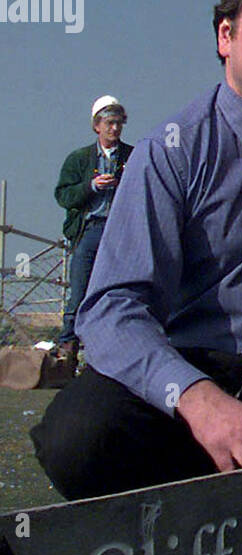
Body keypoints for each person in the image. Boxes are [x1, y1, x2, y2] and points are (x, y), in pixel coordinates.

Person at [31, 0, 242, 500]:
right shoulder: (171, 150)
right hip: (190, 358)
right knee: (77, 438)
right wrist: (196, 399)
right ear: (226, 35)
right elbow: (111, 306)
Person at [54, 96, 133, 362]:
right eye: (110, 123)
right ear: (97, 125)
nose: (115, 129)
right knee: (80, 290)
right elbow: (64, 196)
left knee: (117, 293)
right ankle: (68, 347)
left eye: (119, 123)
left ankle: (110, 350)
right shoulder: (78, 160)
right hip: (90, 230)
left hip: (121, 232)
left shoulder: (133, 157)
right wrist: (91, 186)